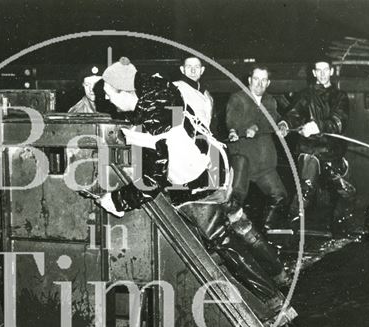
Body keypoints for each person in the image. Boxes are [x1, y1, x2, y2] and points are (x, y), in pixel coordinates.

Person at [95, 57, 288, 304]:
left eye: (110, 94)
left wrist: (116, 200)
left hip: (198, 184)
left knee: (222, 240)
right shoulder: (164, 93)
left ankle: (272, 298)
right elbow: (176, 134)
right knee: (240, 223)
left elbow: (153, 180)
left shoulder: (154, 118)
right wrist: (138, 138)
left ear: (125, 91)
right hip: (217, 165)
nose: (108, 100)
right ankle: (278, 272)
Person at [279, 56, 354, 230]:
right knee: (305, 189)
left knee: (346, 190)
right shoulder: (306, 95)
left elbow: (339, 121)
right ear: (313, 73)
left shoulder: (340, 96)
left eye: (325, 70)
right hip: (310, 148)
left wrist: (317, 126)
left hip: (332, 149)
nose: (322, 74)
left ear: (332, 71)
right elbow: (294, 113)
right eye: (318, 70)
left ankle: (342, 224)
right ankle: (292, 227)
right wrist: (284, 124)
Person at [226, 65, 289, 230]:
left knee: (280, 197)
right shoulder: (238, 98)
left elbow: (272, 119)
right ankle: (228, 234)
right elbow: (231, 120)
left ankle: (269, 232)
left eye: (263, 80)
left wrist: (281, 126)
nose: (259, 84)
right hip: (243, 159)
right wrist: (235, 131)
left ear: (268, 83)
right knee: (235, 200)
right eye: (256, 79)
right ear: (249, 80)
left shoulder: (270, 101)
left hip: (263, 162)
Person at [173, 57, 214, 131]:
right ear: (182, 69)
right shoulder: (177, 88)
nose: (193, 71)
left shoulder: (207, 94)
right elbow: (176, 123)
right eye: (189, 67)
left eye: (197, 67)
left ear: (202, 70)